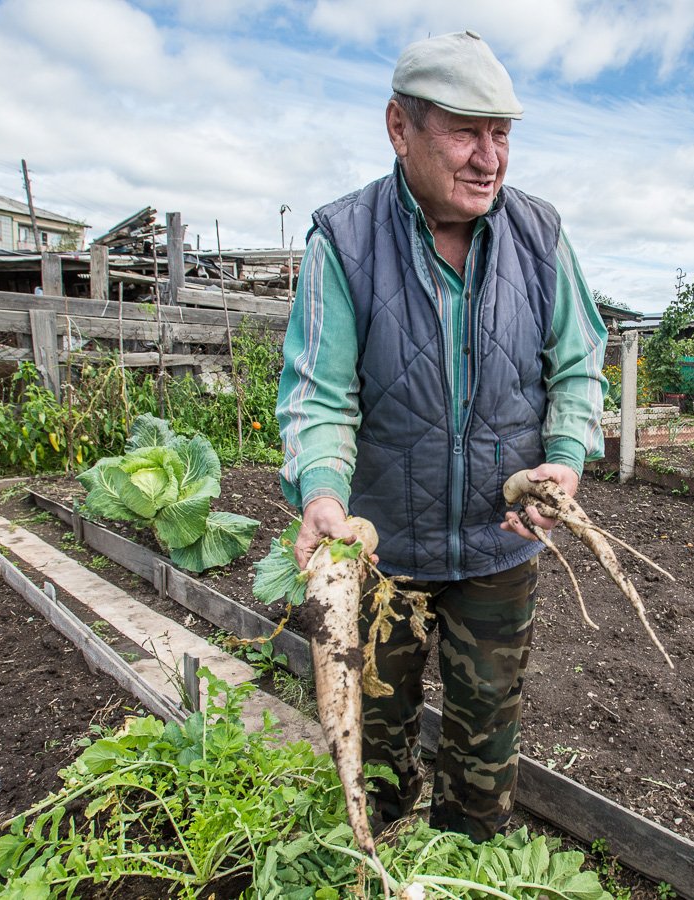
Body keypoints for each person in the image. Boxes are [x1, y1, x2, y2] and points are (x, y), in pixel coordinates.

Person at [275, 30, 608, 842]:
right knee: (374, 751)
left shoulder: (540, 237)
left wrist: (562, 465)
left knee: (486, 751)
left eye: (501, 135)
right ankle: (379, 857)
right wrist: (320, 494)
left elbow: (577, 368)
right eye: (465, 131)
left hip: (500, 554)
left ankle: (466, 862)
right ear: (400, 127)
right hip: (384, 557)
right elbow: (319, 396)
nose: (488, 157)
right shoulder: (344, 242)